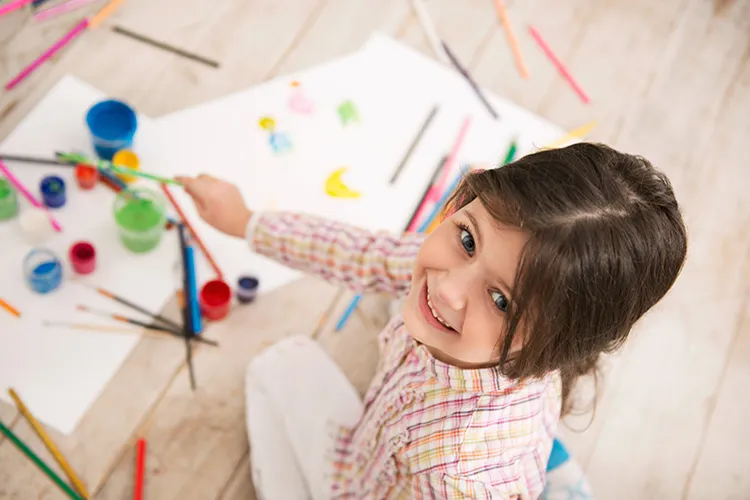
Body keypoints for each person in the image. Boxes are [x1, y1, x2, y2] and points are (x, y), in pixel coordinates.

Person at [176, 142, 688, 499]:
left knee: (279, 363)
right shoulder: (451, 272)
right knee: (284, 361)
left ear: (556, 343)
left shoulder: (465, 476)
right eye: (467, 238)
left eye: (502, 300)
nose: (445, 288)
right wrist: (246, 221)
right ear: (463, 197)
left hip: (360, 484)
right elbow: (365, 253)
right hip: (366, 455)